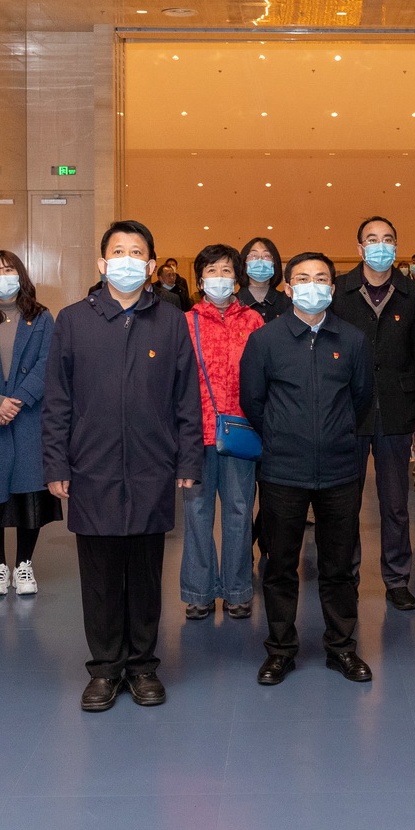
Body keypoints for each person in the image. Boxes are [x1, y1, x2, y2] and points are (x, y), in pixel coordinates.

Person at [43, 220, 203, 712]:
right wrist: (56, 461)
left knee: (145, 573)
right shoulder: (74, 320)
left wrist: (188, 457)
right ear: (101, 262)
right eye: (118, 251)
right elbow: (57, 400)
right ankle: (105, 669)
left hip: (153, 466)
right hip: (92, 467)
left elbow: (186, 398)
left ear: (151, 265)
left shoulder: (171, 321)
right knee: (100, 576)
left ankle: (142, 666)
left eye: (137, 253)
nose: (127, 260)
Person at [240, 252, 375, 686]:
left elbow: (361, 398)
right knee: (280, 565)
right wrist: (282, 434)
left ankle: (342, 647)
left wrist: (334, 432)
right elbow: (253, 400)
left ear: (332, 289)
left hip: (339, 470)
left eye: (320, 278)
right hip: (283, 471)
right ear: (287, 287)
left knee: (339, 566)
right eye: (302, 278)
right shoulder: (265, 340)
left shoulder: (352, 340)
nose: (312, 286)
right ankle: (280, 650)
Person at [332, 215, 415, 613]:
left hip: (397, 411)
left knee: (395, 504)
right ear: (359, 248)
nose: (380, 245)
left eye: (387, 239)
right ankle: (346, 577)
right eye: (372, 239)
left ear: (396, 246)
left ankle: (396, 579)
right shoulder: (338, 291)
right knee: (345, 503)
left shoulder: (414, 295)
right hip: (348, 412)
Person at [0, 250, 61, 598]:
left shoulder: (42, 318)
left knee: (29, 490)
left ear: (21, 275)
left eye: (8, 270)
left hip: (28, 415)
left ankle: (24, 564)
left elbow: (47, 363)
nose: (2, 276)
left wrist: (16, 401)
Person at [180, 244, 263, 621]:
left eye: (226, 271)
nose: (219, 278)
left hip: (241, 433)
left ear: (237, 278)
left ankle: (237, 590)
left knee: (239, 511)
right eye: (211, 271)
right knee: (197, 513)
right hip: (196, 434)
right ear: (200, 280)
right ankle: (198, 591)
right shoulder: (186, 322)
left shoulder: (253, 320)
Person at [238, 237, 291, 323]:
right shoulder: (233, 301)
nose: (260, 260)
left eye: (266, 256)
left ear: (274, 262)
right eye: (254, 256)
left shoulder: (287, 301)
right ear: (244, 261)